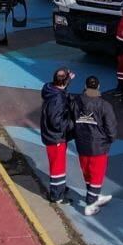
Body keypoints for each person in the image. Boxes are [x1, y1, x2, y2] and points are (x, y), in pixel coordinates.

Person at [71, 75, 117, 216]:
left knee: (87, 172)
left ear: (85, 86)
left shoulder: (75, 102)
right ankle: (90, 204)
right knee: (97, 174)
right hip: (99, 146)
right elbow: (111, 127)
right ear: (98, 87)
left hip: (81, 144)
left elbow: (71, 121)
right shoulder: (104, 105)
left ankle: (94, 195)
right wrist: (110, 139)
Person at [39, 67, 75, 205]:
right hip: (56, 137)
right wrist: (73, 124)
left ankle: (59, 188)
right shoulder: (58, 99)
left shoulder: (50, 89)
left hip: (51, 135)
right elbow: (56, 122)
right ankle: (57, 196)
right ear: (64, 82)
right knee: (58, 167)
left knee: (58, 164)